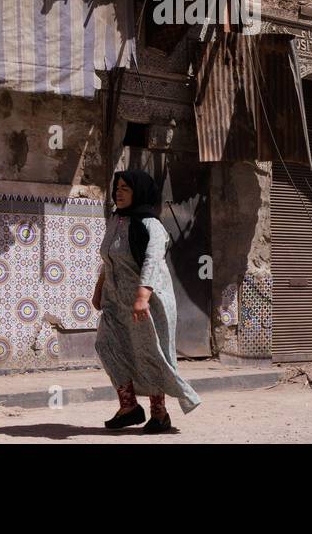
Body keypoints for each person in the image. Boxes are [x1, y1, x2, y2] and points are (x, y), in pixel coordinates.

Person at [91, 169, 201, 433]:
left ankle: (159, 415)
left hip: (147, 303)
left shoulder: (152, 226)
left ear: (138, 192)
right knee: (107, 346)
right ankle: (129, 407)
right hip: (115, 302)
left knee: (150, 354)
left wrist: (142, 296)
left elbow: (152, 261)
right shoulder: (116, 221)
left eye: (125, 188)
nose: (118, 193)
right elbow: (109, 260)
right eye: (116, 188)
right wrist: (99, 289)